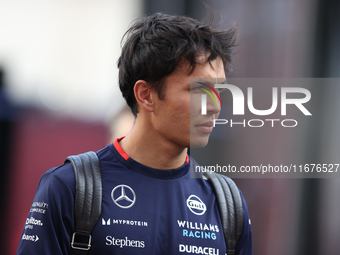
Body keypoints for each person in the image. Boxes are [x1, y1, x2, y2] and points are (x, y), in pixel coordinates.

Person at [16, 12, 252, 254]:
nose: (215, 106)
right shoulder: (69, 186)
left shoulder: (228, 203)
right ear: (146, 95)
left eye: (219, 90)